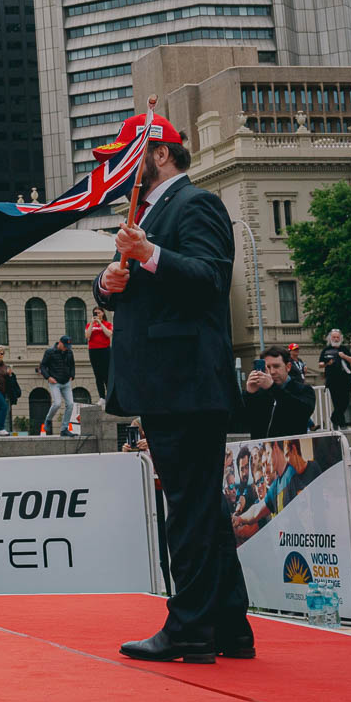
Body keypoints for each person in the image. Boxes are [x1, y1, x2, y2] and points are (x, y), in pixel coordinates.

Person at [93, 111, 251, 663]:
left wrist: (147, 256)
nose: (116, 166)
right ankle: (229, 627)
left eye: (125, 155)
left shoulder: (195, 204)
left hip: (185, 383)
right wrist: (107, 285)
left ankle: (188, 629)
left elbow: (210, 280)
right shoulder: (147, 213)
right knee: (199, 505)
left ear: (159, 153)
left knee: (188, 508)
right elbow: (131, 284)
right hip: (169, 383)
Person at [242, 345, 317, 439]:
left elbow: (301, 412)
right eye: (268, 367)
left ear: (288, 367)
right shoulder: (260, 392)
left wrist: (272, 388)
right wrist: (249, 393)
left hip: (291, 449)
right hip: (262, 450)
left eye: (276, 366)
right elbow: (240, 422)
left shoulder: (304, 390)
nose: (272, 372)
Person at [38, 336, 78, 435]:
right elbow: (42, 366)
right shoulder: (50, 352)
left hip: (66, 382)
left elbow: (72, 365)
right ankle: (48, 420)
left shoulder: (69, 352)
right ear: (59, 343)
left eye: (68, 346)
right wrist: (48, 377)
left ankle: (64, 429)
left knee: (70, 404)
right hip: (54, 382)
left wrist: (72, 376)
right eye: (65, 346)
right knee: (57, 403)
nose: (66, 348)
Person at [318, 329, 351, 430]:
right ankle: (342, 424)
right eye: (334, 337)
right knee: (337, 403)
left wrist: (344, 356)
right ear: (330, 338)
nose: (335, 339)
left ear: (340, 338)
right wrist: (327, 363)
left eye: (337, 337)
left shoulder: (344, 349)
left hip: (346, 380)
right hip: (332, 381)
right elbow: (320, 364)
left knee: (345, 402)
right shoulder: (326, 350)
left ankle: (334, 419)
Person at [87, 308, 114, 398]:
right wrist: (92, 323)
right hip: (93, 350)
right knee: (98, 375)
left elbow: (109, 334)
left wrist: (100, 323)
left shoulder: (107, 324)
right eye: (95, 313)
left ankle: (109, 397)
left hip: (105, 350)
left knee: (106, 374)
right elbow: (87, 336)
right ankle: (102, 397)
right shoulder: (89, 325)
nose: (97, 314)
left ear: (103, 313)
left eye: (99, 312)